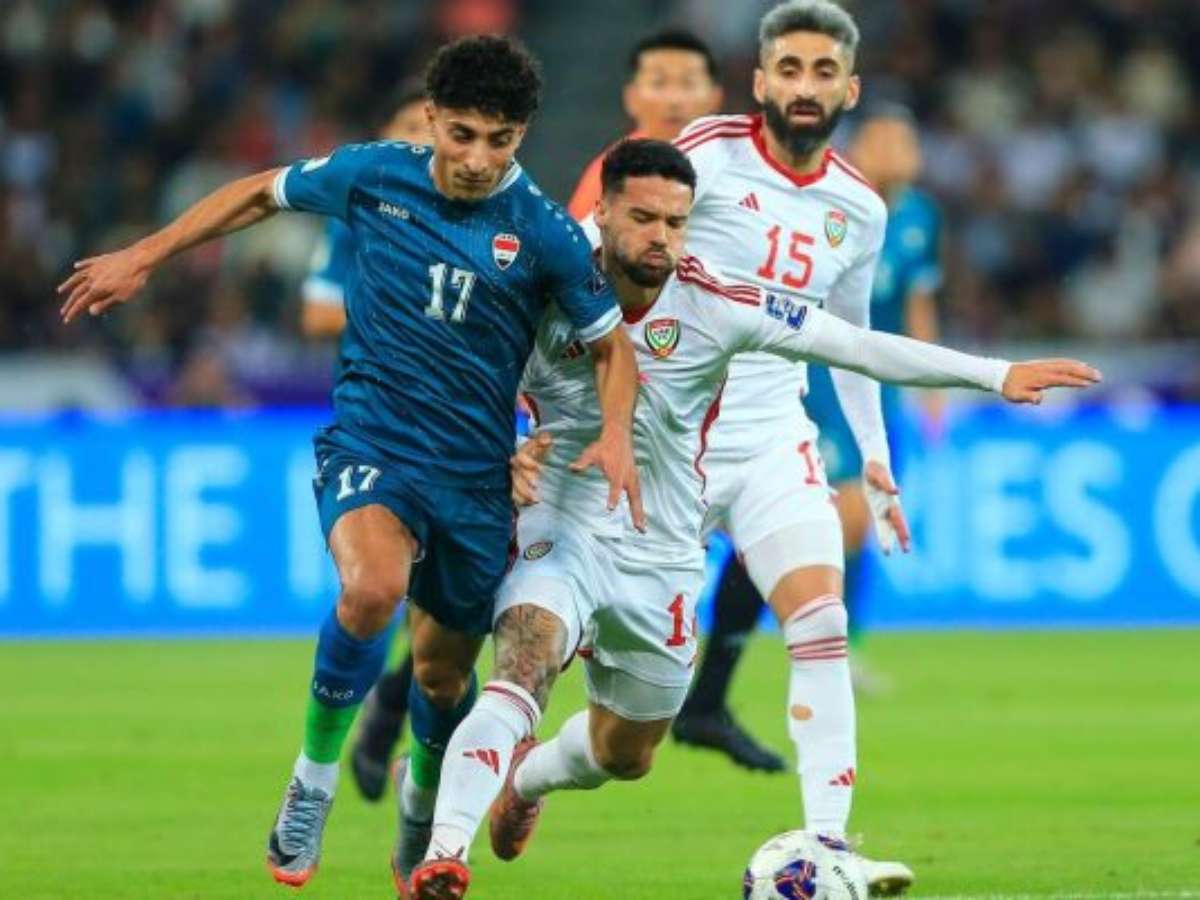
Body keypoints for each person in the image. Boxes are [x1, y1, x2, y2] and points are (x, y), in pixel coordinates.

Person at [400, 138, 1100, 900]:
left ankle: (526, 782)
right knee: (522, 670)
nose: (661, 238)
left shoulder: (718, 301)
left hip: (663, 551)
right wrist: (499, 458)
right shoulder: (534, 285)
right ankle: (444, 856)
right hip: (560, 525)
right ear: (601, 212)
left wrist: (996, 374)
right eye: (642, 219)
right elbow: (452, 384)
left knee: (626, 753)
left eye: (676, 222)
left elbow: (854, 345)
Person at [59, 35, 644, 892]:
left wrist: (616, 433)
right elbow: (258, 193)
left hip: (476, 477)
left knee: (442, 678)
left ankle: (420, 808)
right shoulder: (375, 174)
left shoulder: (545, 232)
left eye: (500, 140)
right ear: (432, 119)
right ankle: (313, 779)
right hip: (374, 443)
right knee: (371, 590)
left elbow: (611, 347)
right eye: (462, 135)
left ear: (521, 135)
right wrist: (144, 254)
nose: (477, 159)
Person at [658, 0, 918, 891]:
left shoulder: (860, 208)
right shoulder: (704, 153)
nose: (806, 86)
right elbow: (611, 258)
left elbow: (856, 342)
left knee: (821, 620)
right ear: (761, 79)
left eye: (824, 71)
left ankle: (829, 844)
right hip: (668, 439)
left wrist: (874, 456)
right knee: (622, 715)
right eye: (791, 69)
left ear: (851, 88)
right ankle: (518, 778)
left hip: (775, 440)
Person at [297, 83, 434, 803]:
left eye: (430, 127)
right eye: (407, 125)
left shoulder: (497, 218)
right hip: (379, 426)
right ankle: (345, 750)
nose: (420, 139)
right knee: (382, 587)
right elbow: (318, 314)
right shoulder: (362, 211)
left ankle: (389, 719)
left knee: (454, 623)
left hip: (470, 427)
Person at [565, 28, 723, 221]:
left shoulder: (739, 163)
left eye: (688, 83)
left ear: (715, 98)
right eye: (658, 83)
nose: (674, 100)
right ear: (631, 98)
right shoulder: (609, 175)